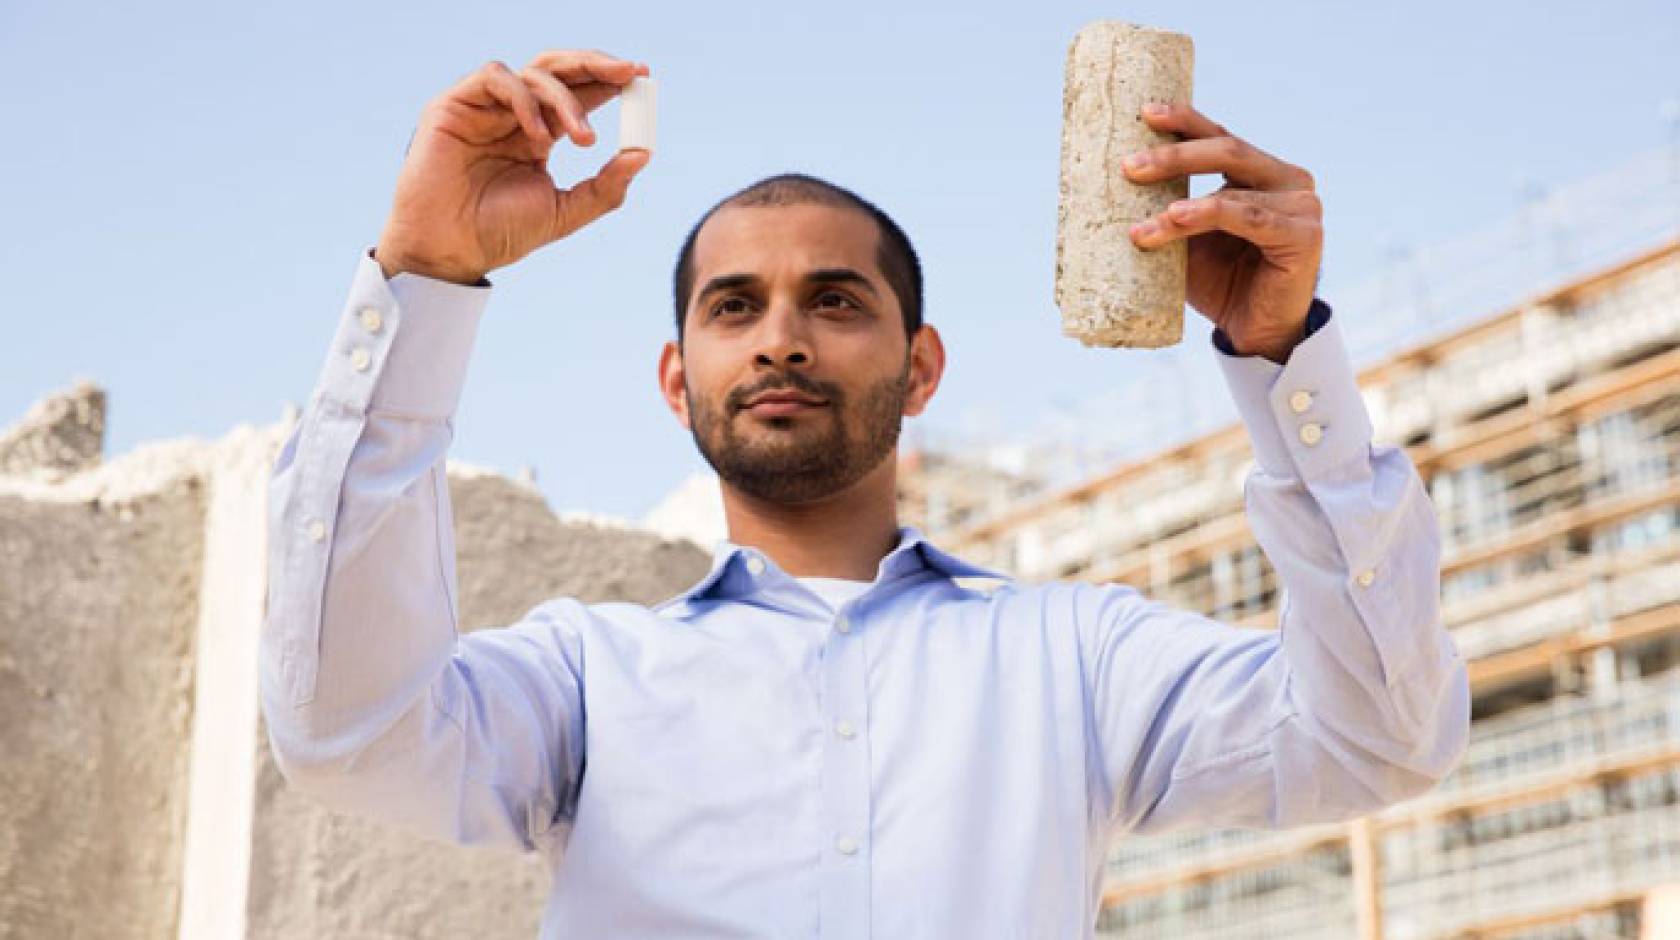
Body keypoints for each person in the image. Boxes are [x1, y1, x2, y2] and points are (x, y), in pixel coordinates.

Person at [259, 47, 1469, 939]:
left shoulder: (1074, 659)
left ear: (922, 367)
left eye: (835, 301)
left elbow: (1382, 743)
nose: (781, 339)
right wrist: (422, 276)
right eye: (736, 306)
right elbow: (348, 733)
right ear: (678, 381)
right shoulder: (583, 678)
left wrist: (1281, 359)